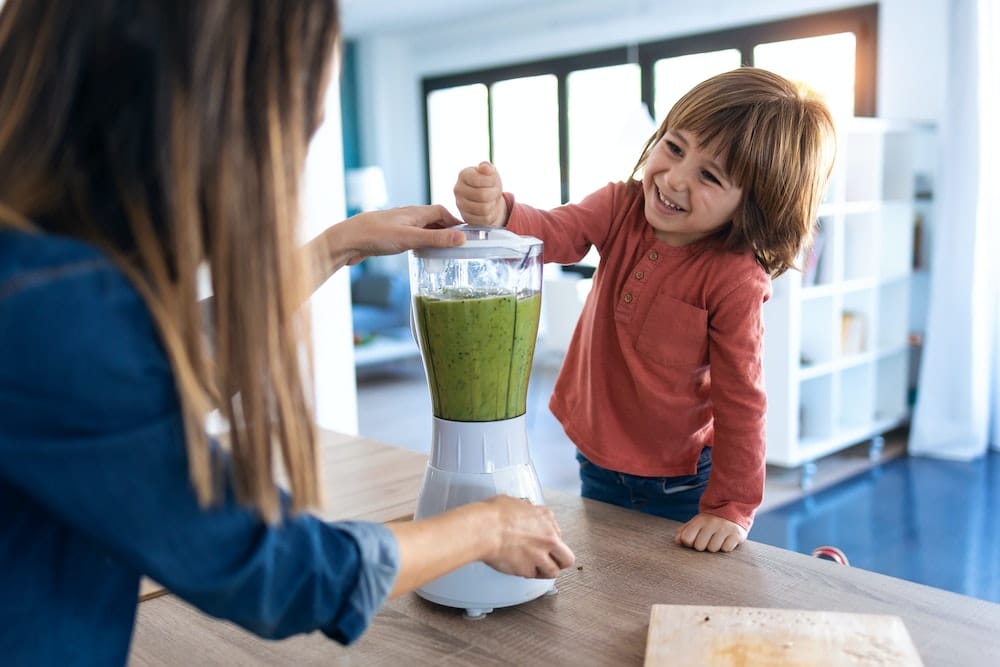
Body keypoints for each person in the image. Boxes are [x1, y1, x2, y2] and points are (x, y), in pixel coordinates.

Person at [0, 1, 574, 665]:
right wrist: (486, 524)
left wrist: (338, 246)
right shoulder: (51, 315)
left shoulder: (37, 274)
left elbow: (149, 379)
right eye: (295, 105)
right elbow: (270, 565)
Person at [454, 67, 835, 554]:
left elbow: (741, 400)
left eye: (710, 176)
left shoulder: (734, 278)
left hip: (681, 481)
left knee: (676, 585)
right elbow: (553, 232)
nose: (674, 179)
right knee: (609, 573)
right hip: (597, 455)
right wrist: (499, 212)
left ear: (752, 207)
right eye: (674, 147)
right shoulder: (619, 206)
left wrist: (731, 508)